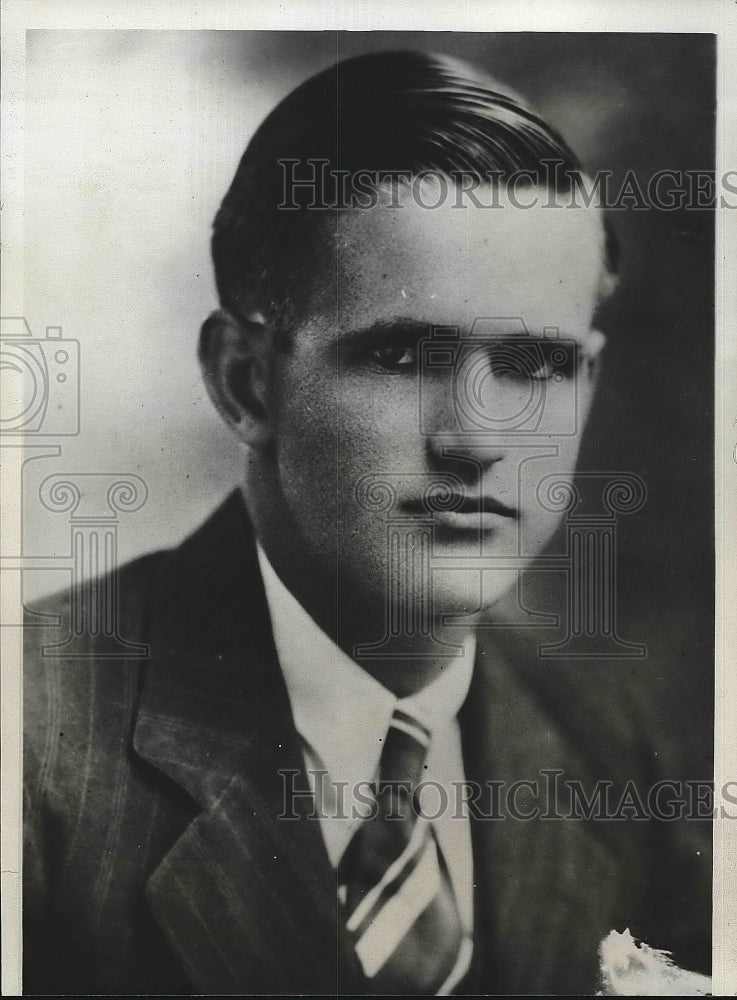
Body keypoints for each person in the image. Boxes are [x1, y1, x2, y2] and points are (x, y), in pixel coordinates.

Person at [22, 50, 711, 995]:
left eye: (535, 366)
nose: (476, 438)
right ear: (246, 380)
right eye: (400, 354)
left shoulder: (601, 749)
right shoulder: (32, 747)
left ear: (587, 384)